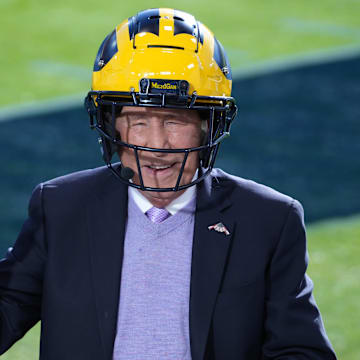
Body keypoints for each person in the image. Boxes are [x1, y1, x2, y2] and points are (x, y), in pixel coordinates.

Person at [0, 8, 336, 360]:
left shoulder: (268, 219)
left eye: (174, 121)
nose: (157, 145)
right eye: (138, 121)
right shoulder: (60, 207)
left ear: (208, 126)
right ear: (111, 126)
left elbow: (300, 351)